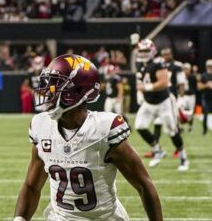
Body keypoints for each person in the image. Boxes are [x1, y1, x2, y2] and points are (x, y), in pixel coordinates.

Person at [13, 54, 163, 221]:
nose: (48, 91)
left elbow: (143, 185)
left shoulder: (104, 130)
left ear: (77, 91)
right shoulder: (41, 126)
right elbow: (32, 186)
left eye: (55, 85)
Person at [134, 39, 189, 171]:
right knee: (140, 126)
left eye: (146, 51)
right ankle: (158, 150)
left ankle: (183, 157)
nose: (143, 53)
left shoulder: (158, 63)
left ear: (152, 50)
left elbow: (164, 83)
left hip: (163, 102)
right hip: (149, 102)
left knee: (171, 130)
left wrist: (145, 87)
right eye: (141, 51)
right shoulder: (140, 64)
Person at [199, 59, 212, 135]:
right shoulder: (204, 75)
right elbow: (199, 87)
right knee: (205, 114)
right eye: (209, 66)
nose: (210, 67)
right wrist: (207, 85)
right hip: (206, 97)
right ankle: (204, 130)